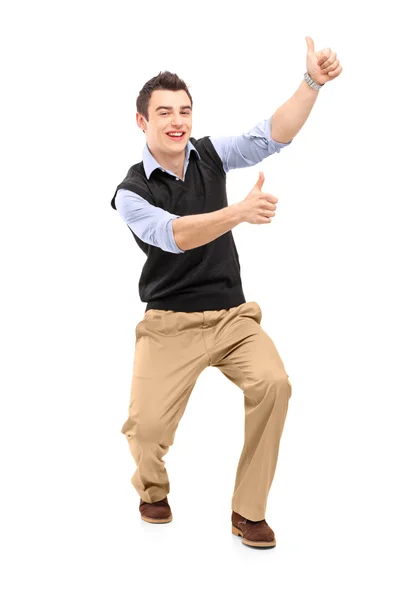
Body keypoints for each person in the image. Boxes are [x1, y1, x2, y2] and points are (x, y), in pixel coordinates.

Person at [110, 40, 342, 549]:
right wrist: (237, 213)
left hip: (232, 318)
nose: (177, 121)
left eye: (185, 111)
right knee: (146, 431)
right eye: (164, 112)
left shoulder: (211, 154)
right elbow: (174, 235)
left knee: (274, 384)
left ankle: (247, 511)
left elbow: (273, 134)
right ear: (141, 122)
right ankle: (152, 489)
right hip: (169, 323)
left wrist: (311, 85)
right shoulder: (131, 192)